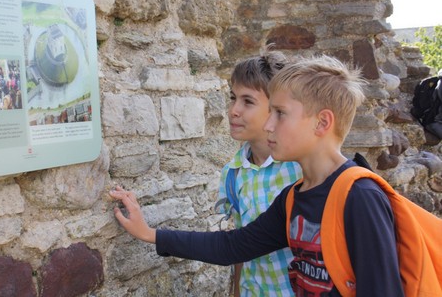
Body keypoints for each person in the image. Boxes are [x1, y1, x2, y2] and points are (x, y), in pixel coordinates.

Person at [110, 55, 404, 296]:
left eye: (280, 113)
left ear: (321, 122)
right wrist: (150, 234)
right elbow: (234, 246)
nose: (268, 125)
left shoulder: (360, 196)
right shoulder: (294, 197)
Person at [217, 53, 302, 296]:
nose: (234, 110)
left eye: (248, 101)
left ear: (276, 108)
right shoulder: (232, 174)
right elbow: (240, 248)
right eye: (233, 98)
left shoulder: (300, 169)